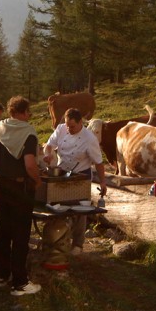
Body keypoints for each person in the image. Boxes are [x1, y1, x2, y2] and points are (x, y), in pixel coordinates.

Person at [0, 96, 42, 296]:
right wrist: (37, 180)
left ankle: (2, 275)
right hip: (21, 188)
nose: (29, 116)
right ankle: (20, 282)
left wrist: (1, 174)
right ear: (23, 112)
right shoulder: (27, 133)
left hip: (4, 185)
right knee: (21, 234)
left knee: (4, 231)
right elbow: (30, 163)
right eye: (29, 112)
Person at [43, 107, 108, 255]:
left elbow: (98, 162)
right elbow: (49, 145)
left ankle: (78, 244)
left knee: (80, 210)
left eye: (72, 126)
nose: (69, 129)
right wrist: (48, 155)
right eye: (67, 125)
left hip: (81, 176)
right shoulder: (61, 129)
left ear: (80, 123)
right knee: (56, 206)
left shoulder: (89, 139)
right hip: (61, 173)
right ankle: (56, 239)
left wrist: (103, 182)